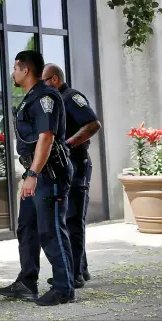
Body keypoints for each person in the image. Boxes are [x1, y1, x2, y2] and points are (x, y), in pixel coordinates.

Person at [0, 51, 75, 306]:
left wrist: (32, 174)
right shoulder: (31, 97)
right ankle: (26, 282)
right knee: (27, 227)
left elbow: (46, 137)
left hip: (47, 174)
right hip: (36, 174)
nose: (13, 73)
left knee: (50, 230)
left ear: (25, 70)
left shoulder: (45, 98)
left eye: (15, 68)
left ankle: (64, 289)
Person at [42, 63, 101, 288]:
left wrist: (66, 144)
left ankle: (75, 274)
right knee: (69, 219)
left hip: (77, 164)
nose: (43, 86)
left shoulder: (71, 97)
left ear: (55, 79)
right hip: (66, 167)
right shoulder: (56, 101)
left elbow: (93, 124)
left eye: (45, 81)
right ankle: (79, 269)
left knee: (73, 220)